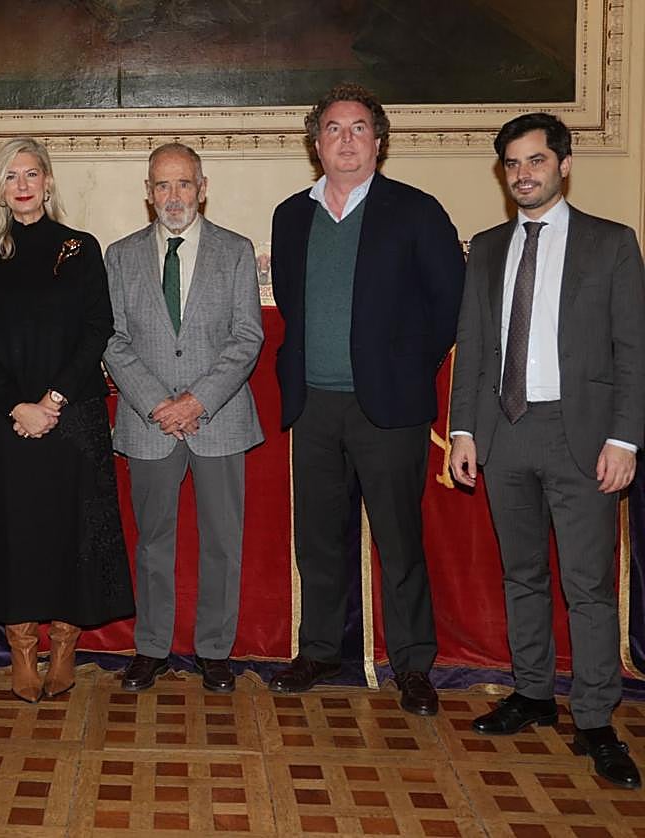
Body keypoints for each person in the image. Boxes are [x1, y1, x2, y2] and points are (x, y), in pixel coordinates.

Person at [450, 113, 645, 789]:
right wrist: (464, 431)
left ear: (563, 164)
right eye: (512, 164)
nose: (524, 174)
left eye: (535, 161)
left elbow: (633, 350)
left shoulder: (611, 244)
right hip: (504, 432)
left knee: (587, 586)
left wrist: (625, 438)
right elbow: (473, 345)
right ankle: (532, 694)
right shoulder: (489, 246)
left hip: (583, 436)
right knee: (522, 573)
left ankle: (594, 719)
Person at [269, 83, 465, 715]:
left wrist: (407, 366)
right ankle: (321, 649)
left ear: (379, 142)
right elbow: (295, 309)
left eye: (358, 129)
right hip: (315, 405)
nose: (345, 140)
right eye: (332, 129)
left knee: (399, 540)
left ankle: (412, 664)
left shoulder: (416, 210)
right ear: (315, 143)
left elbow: (449, 305)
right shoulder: (291, 215)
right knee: (319, 539)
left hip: (389, 408)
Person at [0, 137, 134, 703]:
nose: (23, 184)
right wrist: (18, 405)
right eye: (10, 175)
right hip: (6, 419)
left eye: (31, 173)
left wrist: (52, 402)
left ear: (48, 181)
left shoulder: (80, 248)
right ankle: (20, 647)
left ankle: (64, 643)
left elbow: (97, 329)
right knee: (14, 532)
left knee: (71, 531)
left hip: (74, 414)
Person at [103, 143, 264, 694]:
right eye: (162, 185)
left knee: (223, 541)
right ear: (148, 193)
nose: (174, 196)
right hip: (148, 423)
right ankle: (151, 648)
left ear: (203, 186)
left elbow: (247, 338)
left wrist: (196, 401)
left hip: (218, 419)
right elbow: (113, 340)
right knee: (152, 543)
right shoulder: (119, 256)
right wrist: (158, 404)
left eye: (184, 184)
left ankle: (214, 652)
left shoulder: (235, 251)